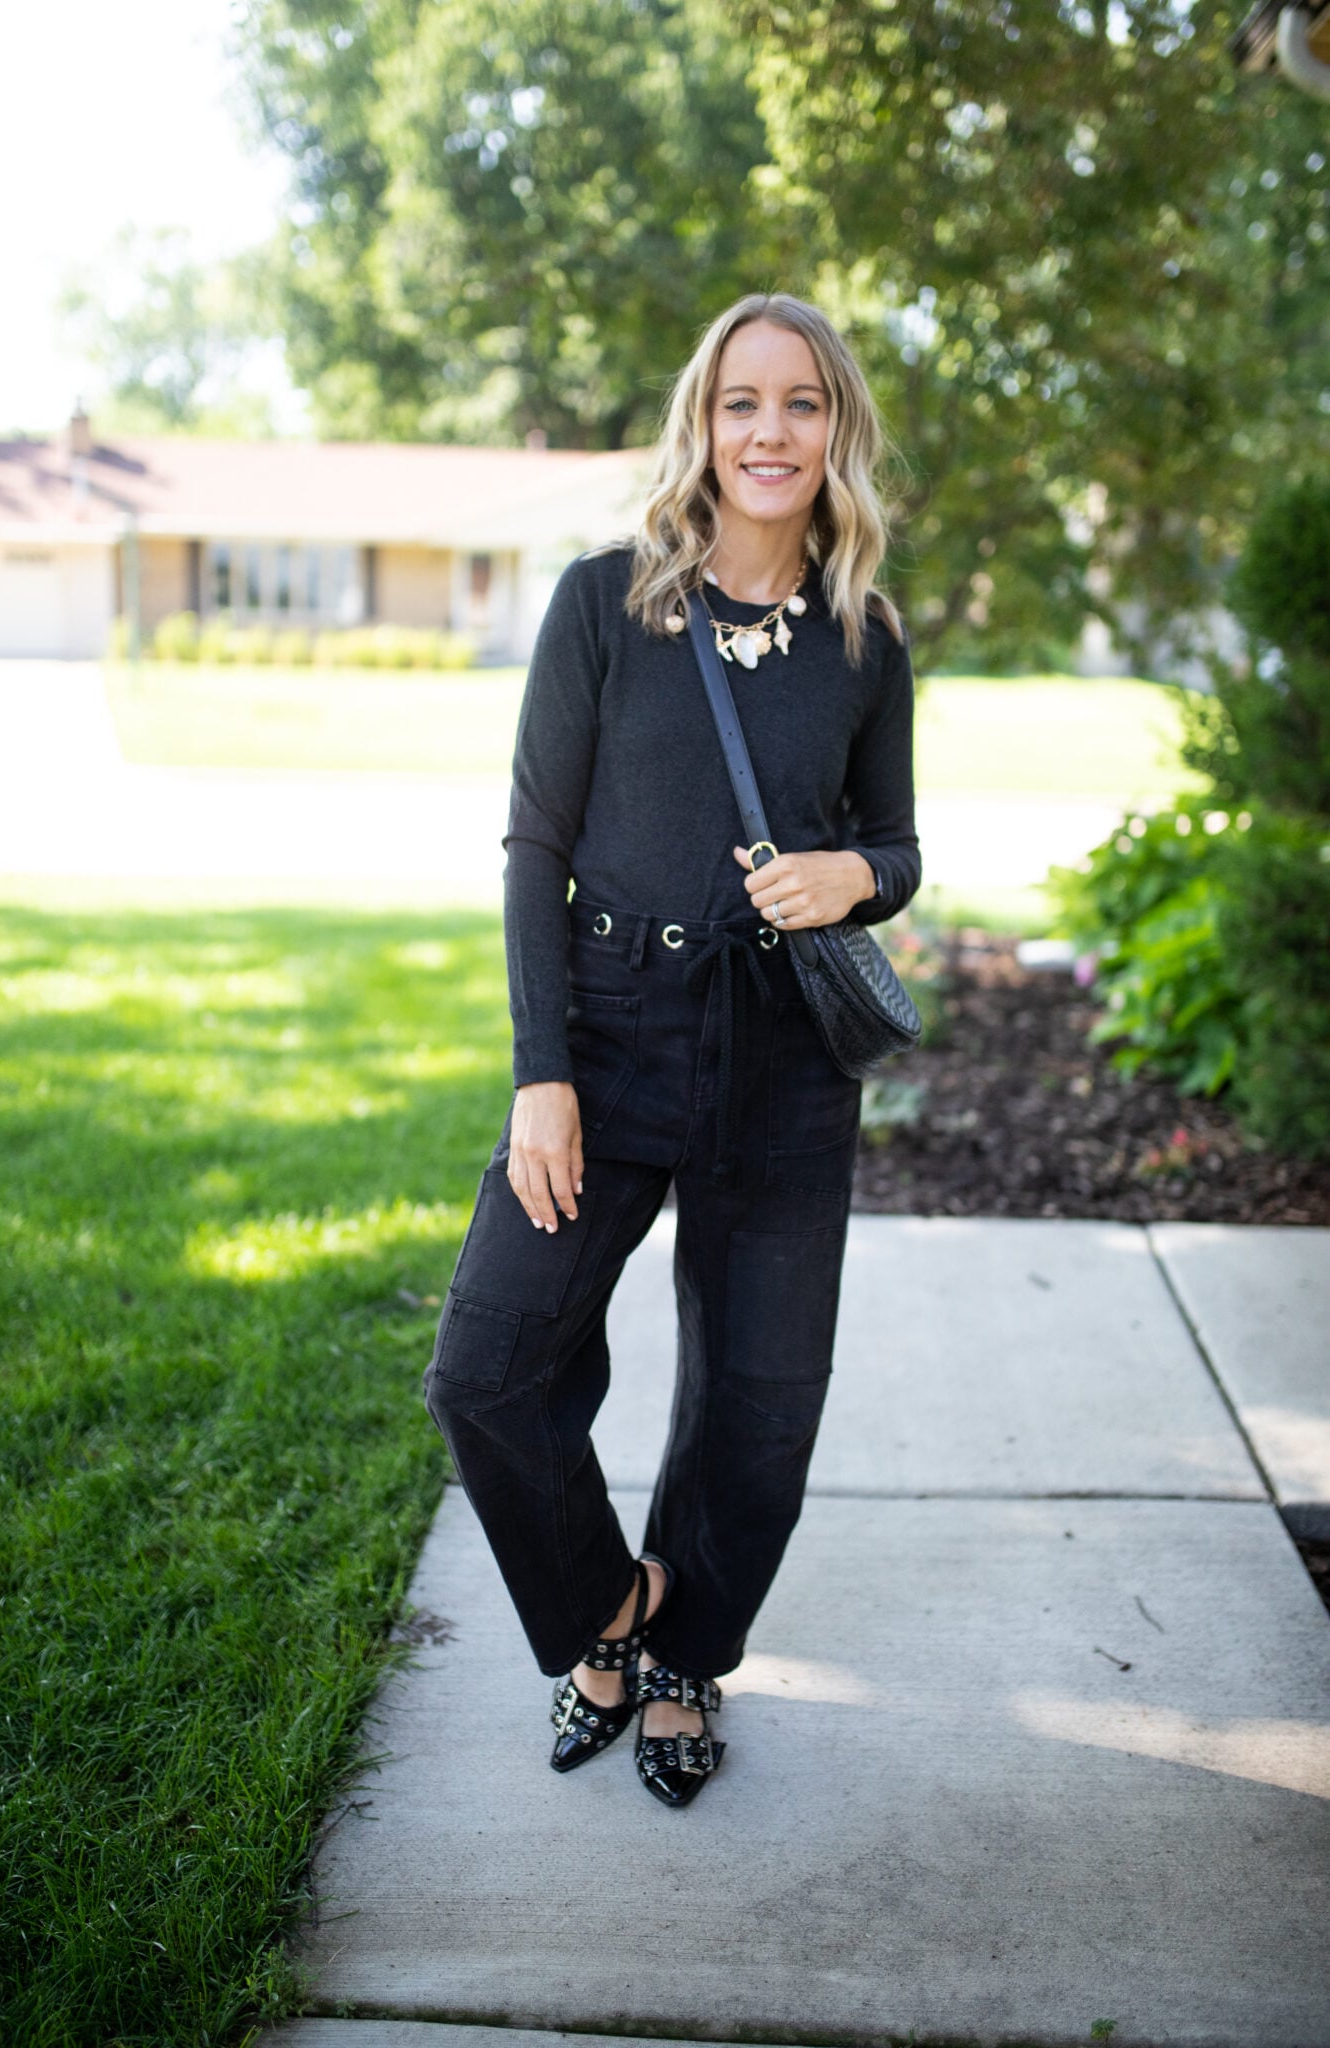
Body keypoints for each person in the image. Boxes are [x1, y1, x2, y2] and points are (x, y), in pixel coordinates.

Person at [423, 291, 920, 1808]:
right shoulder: (605, 603)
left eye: (801, 403)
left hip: (783, 1057)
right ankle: (611, 1613)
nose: (769, 432)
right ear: (701, 424)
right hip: (611, 1030)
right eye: (739, 402)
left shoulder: (865, 636)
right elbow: (534, 845)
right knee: (490, 1368)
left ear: (836, 430)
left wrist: (854, 875)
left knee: (760, 1404)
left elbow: (896, 847)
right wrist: (542, 1073)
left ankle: (686, 1660)